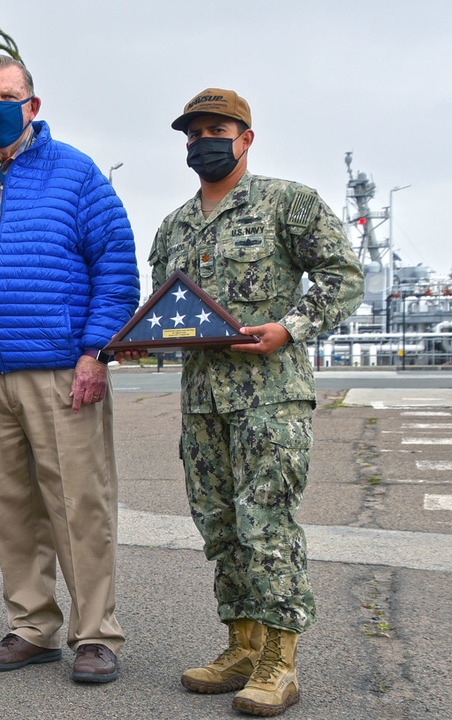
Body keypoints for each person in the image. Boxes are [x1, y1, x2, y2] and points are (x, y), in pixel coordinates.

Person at [0, 55, 139, 685]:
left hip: (61, 370)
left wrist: (95, 351)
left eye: (7, 96)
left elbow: (116, 271)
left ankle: (95, 634)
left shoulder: (77, 173)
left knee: (78, 504)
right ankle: (32, 625)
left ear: (32, 106)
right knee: (9, 504)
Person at [150, 88, 364, 715]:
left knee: (265, 521)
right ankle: (241, 645)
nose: (203, 142)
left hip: (270, 397)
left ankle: (280, 660)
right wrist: (142, 341)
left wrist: (290, 327)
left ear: (245, 137)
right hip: (202, 401)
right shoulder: (175, 226)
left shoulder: (287, 202)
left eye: (216, 129)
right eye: (193, 134)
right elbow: (168, 307)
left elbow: (340, 275)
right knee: (218, 523)